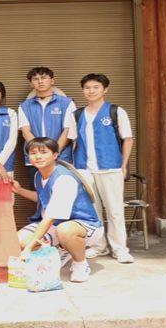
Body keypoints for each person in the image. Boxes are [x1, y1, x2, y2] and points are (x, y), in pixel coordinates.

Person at [12, 137, 104, 283]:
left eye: (44, 152)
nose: (38, 156)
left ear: (55, 155)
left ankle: (80, 263)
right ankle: (62, 250)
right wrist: (19, 190)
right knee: (20, 239)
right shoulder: (39, 174)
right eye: (33, 153)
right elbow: (44, 198)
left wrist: (28, 249)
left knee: (64, 231)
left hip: (83, 225)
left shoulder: (64, 179)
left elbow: (51, 216)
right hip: (56, 223)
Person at [68, 73, 134, 263]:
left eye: (96, 87)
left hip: (110, 167)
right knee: (92, 211)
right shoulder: (77, 115)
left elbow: (128, 139)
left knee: (115, 210)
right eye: (87, 87)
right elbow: (73, 142)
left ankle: (120, 248)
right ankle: (98, 245)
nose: (91, 91)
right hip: (85, 169)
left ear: (105, 89)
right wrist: (74, 170)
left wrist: (124, 165)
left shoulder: (116, 111)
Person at [18, 67, 76, 190]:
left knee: (63, 192)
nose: (40, 81)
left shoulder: (67, 103)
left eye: (44, 78)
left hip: (61, 158)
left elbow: (68, 130)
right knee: (38, 194)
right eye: (36, 79)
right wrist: (41, 153)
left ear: (52, 81)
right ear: (31, 83)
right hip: (35, 159)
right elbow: (25, 131)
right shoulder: (24, 106)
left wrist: (53, 153)